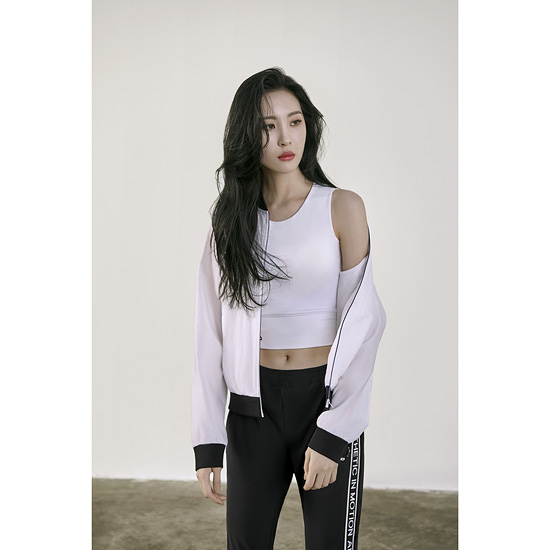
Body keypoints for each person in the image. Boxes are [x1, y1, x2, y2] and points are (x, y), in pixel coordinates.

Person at [191, 67, 387, 550]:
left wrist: (335, 432)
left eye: (294, 121)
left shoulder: (342, 207)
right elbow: (209, 334)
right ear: (246, 135)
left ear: (308, 126)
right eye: (268, 125)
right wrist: (207, 440)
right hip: (251, 411)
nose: (285, 137)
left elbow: (364, 326)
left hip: (322, 402)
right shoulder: (230, 222)